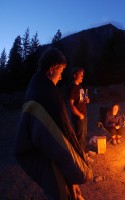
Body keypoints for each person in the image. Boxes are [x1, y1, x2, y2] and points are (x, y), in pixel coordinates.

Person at [14, 47, 93, 200]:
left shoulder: (36, 87)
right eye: (61, 71)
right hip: (42, 155)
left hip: (40, 152)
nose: (61, 77)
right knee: (61, 193)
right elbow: (57, 140)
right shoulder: (47, 95)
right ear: (52, 69)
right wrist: (78, 170)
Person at [67, 67, 96, 161]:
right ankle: (82, 156)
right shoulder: (72, 88)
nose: (82, 77)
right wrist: (79, 115)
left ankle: (85, 151)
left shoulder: (80, 87)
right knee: (79, 136)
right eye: (80, 75)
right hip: (78, 116)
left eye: (82, 75)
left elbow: (81, 99)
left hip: (84, 114)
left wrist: (86, 100)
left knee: (84, 134)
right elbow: (70, 105)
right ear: (75, 75)